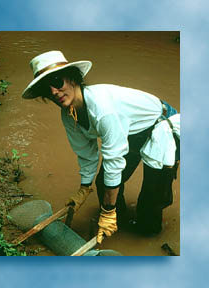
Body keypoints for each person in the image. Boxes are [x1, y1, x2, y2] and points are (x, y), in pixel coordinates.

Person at [22, 50, 180, 244]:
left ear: (72, 78)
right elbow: (87, 154)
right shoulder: (68, 115)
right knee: (103, 182)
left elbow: (114, 160)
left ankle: (146, 235)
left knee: (150, 202)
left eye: (57, 81)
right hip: (131, 130)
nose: (54, 92)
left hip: (162, 125)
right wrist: (84, 188)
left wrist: (106, 211)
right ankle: (117, 222)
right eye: (47, 89)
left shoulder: (103, 110)